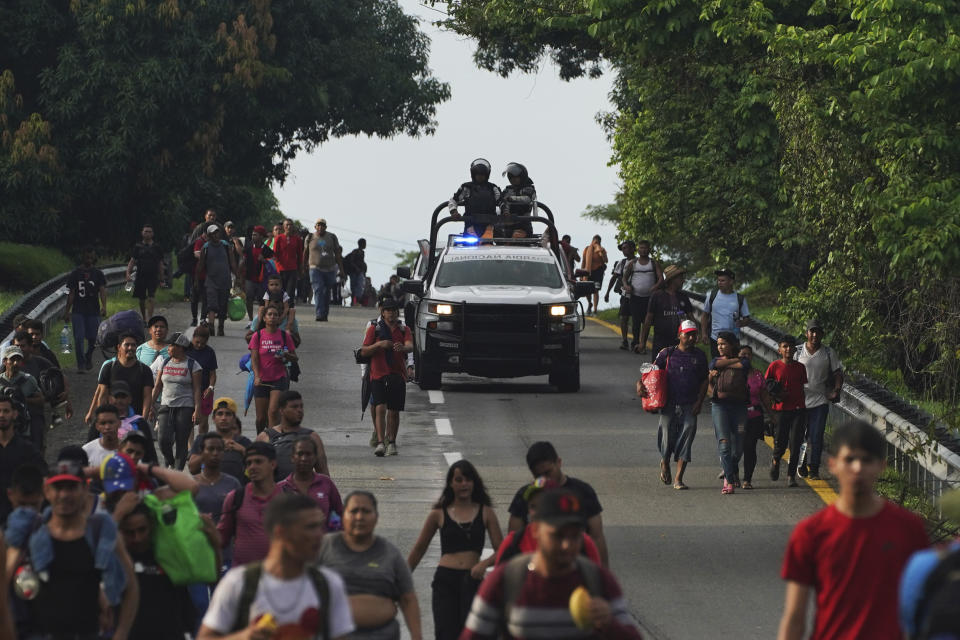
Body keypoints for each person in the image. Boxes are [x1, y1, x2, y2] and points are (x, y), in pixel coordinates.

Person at [777, 420, 929, 640]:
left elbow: (924, 609)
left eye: (867, 460)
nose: (858, 468)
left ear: (882, 465)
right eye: (849, 459)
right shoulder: (810, 534)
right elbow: (794, 618)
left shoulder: (909, 529)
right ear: (832, 464)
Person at [460, 488, 643, 640]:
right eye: (558, 535)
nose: (567, 545)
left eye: (575, 536)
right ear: (536, 530)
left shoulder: (598, 579)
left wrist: (609, 623)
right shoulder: (506, 579)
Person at [201, 493, 355, 639]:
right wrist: (244, 636)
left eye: (319, 527)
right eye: (310, 527)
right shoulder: (238, 583)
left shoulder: (328, 584)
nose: (319, 535)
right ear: (281, 532)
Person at [16, 457, 139, 639]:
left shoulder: (100, 532)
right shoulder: (30, 532)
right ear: (47, 491)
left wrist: (120, 634)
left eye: (71, 488)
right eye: (58, 488)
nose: (64, 495)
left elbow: (130, 587)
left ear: (84, 489)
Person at [408, 460, 503, 640]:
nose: (463, 484)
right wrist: (401, 581)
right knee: (446, 633)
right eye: (458, 480)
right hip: (445, 582)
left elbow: (502, 549)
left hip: (473, 580)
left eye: (467, 479)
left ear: (474, 483)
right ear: (451, 484)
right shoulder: (439, 513)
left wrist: (484, 564)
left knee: (475, 634)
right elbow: (419, 549)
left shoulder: (486, 512)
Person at [319, 490, 422, 640]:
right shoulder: (324, 547)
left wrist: (417, 636)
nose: (360, 517)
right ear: (343, 517)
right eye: (354, 511)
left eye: (366, 511)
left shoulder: (390, 553)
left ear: (376, 517)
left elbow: (408, 599)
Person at [506, 441, 609, 567]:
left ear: (559, 462)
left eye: (548, 472)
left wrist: (603, 572)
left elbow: (597, 536)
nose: (545, 478)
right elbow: (512, 540)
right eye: (538, 475)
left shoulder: (583, 492)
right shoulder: (525, 495)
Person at [640, 319, 708, 491]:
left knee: (687, 438)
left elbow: (704, 380)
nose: (692, 338)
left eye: (694, 334)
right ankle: (664, 460)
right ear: (680, 335)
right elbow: (651, 371)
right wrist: (639, 384)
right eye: (688, 334)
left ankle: (679, 478)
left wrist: (700, 402)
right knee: (666, 437)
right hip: (668, 403)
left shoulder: (700, 356)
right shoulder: (667, 353)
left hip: (690, 404)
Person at [118, 502, 199, 639]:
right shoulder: (117, 560)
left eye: (142, 530)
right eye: (129, 533)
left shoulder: (168, 554)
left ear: (152, 526)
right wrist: (117, 514)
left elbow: (211, 577)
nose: (137, 538)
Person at [495, 476, 601, 566]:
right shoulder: (513, 543)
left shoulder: (583, 544)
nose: (536, 512)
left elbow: (598, 583)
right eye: (533, 506)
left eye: (543, 505)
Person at [360, 297, 413, 456]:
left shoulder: (404, 329)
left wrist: (403, 348)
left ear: (397, 312)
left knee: (394, 411)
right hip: (377, 374)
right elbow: (363, 351)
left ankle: (392, 441)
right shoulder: (373, 329)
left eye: (393, 311)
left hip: (397, 373)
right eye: (387, 311)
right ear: (382, 313)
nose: (391, 314)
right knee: (380, 407)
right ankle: (381, 442)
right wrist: (379, 345)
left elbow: (410, 346)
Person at [217, 442, 283, 566]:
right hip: (244, 578)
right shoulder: (235, 498)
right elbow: (221, 539)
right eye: (249, 463)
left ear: (273, 464)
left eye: (258, 462)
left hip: (279, 576)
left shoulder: (288, 499)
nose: (252, 467)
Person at [795, 318, 844, 480]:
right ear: (806, 333)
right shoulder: (797, 352)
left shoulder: (829, 353)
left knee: (816, 436)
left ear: (822, 334)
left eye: (818, 332)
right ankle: (800, 464)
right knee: (800, 436)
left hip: (820, 401)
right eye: (812, 331)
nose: (815, 335)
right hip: (800, 402)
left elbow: (837, 373)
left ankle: (814, 467)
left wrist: (835, 390)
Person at [150, 331, 202, 469]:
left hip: (185, 407)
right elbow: (157, 387)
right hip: (166, 406)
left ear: (180, 347)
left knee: (181, 441)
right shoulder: (165, 362)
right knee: (162, 440)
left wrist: (197, 410)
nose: (168, 348)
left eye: (171, 345)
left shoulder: (193, 365)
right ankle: (171, 462)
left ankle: (177, 472)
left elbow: (197, 390)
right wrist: (150, 405)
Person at [707, 331, 749, 494]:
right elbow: (713, 365)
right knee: (724, 444)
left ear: (732, 344)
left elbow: (743, 366)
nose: (720, 347)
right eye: (718, 344)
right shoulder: (716, 361)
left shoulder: (744, 361)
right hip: (720, 407)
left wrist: (722, 365)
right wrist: (732, 363)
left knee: (738, 447)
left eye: (724, 343)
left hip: (739, 409)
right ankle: (729, 481)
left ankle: (727, 467)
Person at [256, 390, 330, 478]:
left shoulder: (312, 437)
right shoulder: (265, 437)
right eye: (294, 407)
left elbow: (323, 473)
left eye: (301, 407)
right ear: (281, 410)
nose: (299, 410)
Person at [766, 338, 810, 487]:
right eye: (785, 347)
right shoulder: (774, 366)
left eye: (791, 347)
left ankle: (791, 475)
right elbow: (767, 386)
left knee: (796, 442)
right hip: (781, 410)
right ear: (779, 349)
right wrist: (776, 395)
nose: (788, 350)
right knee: (781, 441)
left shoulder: (800, 367)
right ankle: (776, 460)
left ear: (795, 350)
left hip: (798, 409)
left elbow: (802, 386)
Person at [248, 305, 298, 433]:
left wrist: (286, 355)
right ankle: (261, 438)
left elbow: (295, 358)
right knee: (260, 418)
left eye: (275, 315)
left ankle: (272, 441)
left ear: (279, 319)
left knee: (273, 412)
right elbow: (254, 359)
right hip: (261, 380)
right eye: (269, 314)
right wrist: (257, 376)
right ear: (264, 318)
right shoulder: (257, 336)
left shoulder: (284, 336)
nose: (272, 317)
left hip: (279, 378)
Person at [277, 436, 341, 530]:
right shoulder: (281, 488)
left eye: (308, 454)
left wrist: (334, 536)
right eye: (300, 454)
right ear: (292, 457)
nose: (304, 458)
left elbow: (339, 514)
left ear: (315, 458)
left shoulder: (326, 483)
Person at [89, 331, 154, 422]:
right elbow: (103, 395)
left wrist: (143, 419)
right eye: (127, 345)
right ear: (119, 347)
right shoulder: (109, 368)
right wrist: (102, 417)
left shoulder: (145, 370)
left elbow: (147, 396)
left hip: (135, 419)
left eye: (133, 345)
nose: (130, 348)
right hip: (112, 420)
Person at [0, 394, 44, 525]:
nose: (1, 415)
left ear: (15, 414)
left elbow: (43, 476)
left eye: (6, 411)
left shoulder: (27, 449)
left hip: (19, 516)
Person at [63, 246, 107, 372]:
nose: (89, 259)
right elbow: (71, 293)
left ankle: (88, 355)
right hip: (78, 310)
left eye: (91, 256)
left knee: (94, 338)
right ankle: (81, 364)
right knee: (79, 338)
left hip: (93, 310)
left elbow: (102, 290)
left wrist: (104, 306)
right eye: (86, 256)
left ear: (93, 257)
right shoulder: (75, 273)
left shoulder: (98, 273)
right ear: (82, 257)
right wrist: (67, 311)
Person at [188, 397, 252, 484]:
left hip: (236, 490)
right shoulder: (202, 440)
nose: (224, 418)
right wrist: (209, 452)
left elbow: (257, 468)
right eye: (220, 414)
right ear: (213, 418)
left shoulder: (244, 442)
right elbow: (192, 469)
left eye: (228, 414)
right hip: (209, 487)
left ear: (234, 419)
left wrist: (242, 450)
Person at [639, 264, 693, 360]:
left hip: (680, 343)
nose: (683, 281)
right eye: (680, 278)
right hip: (660, 343)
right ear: (672, 279)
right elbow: (648, 319)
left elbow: (690, 318)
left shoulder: (683, 297)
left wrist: (694, 336)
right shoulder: (657, 296)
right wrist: (642, 342)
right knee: (659, 372)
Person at [622, 240, 663, 353]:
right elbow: (624, 278)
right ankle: (635, 342)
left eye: (645, 248)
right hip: (635, 297)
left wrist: (656, 286)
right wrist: (627, 287)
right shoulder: (633, 263)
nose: (643, 250)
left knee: (647, 321)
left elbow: (661, 278)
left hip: (650, 298)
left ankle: (643, 343)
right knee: (635, 321)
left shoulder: (654, 263)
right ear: (638, 250)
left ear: (649, 249)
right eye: (641, 248)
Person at [738, 345, 770, 490]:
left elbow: (764, 397)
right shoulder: (733, 373)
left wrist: (773, 415)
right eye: (742, 354)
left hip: (755, 417)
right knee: (738, 447)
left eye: (748, 355)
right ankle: (732, 475)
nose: (745, 357)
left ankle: (747, 479)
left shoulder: (758, 375)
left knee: (750, 446)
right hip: (738, 417)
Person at [193, 432, 243, 523]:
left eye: (219, 449)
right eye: (211, 449)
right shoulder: (191, 484)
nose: (215, 453)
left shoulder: (233, 484)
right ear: (202, 452)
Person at [198, 224, 239, 336]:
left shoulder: (226, 246)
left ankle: (221, 327)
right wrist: (196, 280)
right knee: (211, 304)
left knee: (223, 305)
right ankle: (211, 325)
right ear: (209, 235)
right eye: (213, 233)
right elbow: (200, 264)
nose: (216, 235)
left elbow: (232, 262)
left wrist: (237, 276)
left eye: (217, 232)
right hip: (211, 281)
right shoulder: (205, 247)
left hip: (225, 280)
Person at [0, 345, 44, 450]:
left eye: (18, 360)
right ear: (5, 361)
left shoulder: (29, 380)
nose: (15, 363)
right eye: (12, 359)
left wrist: (23, 399)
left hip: (23, 429)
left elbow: (41, 400)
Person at [701, 268, 750, 358]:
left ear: (731, 282)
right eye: (718, 280)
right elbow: (705, 315)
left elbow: (747, 319)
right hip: (716, 339)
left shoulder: (740, 298)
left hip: (733, 340)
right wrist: (704, 333)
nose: (719, 283)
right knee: (717, 367)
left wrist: (741, 322)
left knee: (733, 368)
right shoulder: (712, 295)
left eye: (723, 280)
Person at [303, 218, 345, 321]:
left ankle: (325, 313)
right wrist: (303, 266)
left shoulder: (331, 237)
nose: (320, 227)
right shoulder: (310, 237)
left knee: (326, 292)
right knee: (318, 289)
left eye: (323, 225)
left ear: (326, 227)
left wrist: (341, 269)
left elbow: (338, 254)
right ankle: (319, 314)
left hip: (330, 269)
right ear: (315, 227)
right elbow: (305, 252)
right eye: (318, 225)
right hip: (315, 268)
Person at [449, 158, 502, 237]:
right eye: (477, 174)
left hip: (489, 225)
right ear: (473, 174)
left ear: (486, 175)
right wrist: (454, 212)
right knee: (469, 247)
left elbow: (501, 201)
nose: (480, 176)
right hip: (470, 224)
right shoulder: (466, 187)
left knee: (488, 245)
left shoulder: (493, 188)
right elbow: (453, 200)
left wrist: (505, 212)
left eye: (482, 174)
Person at [127, 222, 165, 321]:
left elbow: (160, 263)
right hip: (140, 275)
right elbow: (132, 261)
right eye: (146, 231)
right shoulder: (137, 247)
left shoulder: (157, 247)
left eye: (149, 232)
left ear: (153, 234)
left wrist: (162, 278)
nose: (147, 233)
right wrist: (128, 273)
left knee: (151, 297)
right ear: (142, 233)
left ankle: (150, 318)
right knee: (141, 299)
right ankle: (144, 317)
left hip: (153, 275)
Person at [187, 324, 219, 435]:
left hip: (205, 391)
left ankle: (201, 442)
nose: (200, 345)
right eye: (197, 342)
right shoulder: (186, 349)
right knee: (188, 421)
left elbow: (213, 374)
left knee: (203, 421)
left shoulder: (210, 352)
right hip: (188, 391)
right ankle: (190, 448)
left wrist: (211, 387)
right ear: (193, 338)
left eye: (203, 343)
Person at [603, 240, 635, 350]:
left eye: (626, 248)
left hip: (639, 295)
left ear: (632, 248)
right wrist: (607, 293)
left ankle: (636, 340)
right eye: (623, 248)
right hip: (625, 295)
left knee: (637, 319)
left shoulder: (639, 262)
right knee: (624, 318)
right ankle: (625, 340)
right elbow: (614, 278)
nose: (624, 250)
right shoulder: (621, 263)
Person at [241, 225, 274, 320]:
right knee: (249, 299)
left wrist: (264, 260)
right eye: (252, 235)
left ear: (261, 236)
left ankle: (261, 319)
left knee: (262, 301)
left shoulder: (268, 251)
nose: (253, 237)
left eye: (255, 235)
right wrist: (241, 277)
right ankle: (251, 320)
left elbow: (273, 265)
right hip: (250, 278)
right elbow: (244, 263)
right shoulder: (248, 249)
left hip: (263, 280)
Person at [498, 162, 536, 238]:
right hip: (507, 224)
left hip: (523, 224)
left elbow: (527, 199)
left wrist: (511, 199)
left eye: (516, 177)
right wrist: (504, 210)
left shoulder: (528, 188)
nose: (513, 179)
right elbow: (501, 201)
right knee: (499, 237)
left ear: (522, 176)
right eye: (511, 177)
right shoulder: (508, 190)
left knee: (517, 240)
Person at [274, 218, 305, 301]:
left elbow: (300, 255)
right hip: (281, 269)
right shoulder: (279, 238)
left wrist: (300, 268)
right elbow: (275, 254)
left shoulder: (297, 239)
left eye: (290, 225)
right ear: (284, 227)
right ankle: (280, 310)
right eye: (287, 225)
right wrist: (277, 268)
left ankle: (289, 311)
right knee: (280, 291)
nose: (289, 226)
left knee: (290, 292)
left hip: (292, 269)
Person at [581, 235, 608, 315]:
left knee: (596, 290)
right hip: (588, 272)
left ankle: (595, 310)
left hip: (598, 272)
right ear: (592, 241)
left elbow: (606, 260)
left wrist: (600, 251)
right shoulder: (587, 249)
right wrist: (581, 274)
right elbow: (584, 261)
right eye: (595, 241)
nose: (596, 243)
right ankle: (590, 303)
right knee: (587, 290)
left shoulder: (601, 250)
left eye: (598, 242)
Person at [344, 238, 368, 306]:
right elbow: (351, 261)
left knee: (359, 287)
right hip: (354, 272)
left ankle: (356, 301)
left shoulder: (362, 252)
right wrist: (356, 268)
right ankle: (353, 301)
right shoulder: (355, 251)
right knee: (354, 287)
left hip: (359, 272)